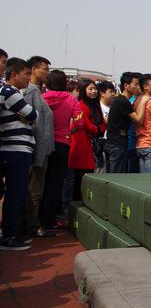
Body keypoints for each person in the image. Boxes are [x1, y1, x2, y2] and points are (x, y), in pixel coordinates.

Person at [0, 58, 38, 250]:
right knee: (16, 193)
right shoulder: (9, 93)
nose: (29, 78)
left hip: (17, 149)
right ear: (13, 75)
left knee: (16, 193)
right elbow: (33, 115)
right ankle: (8, 235)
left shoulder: (12, 93)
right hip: (15, 150)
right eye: (26, 74)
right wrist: (28, 116)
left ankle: (11, 232)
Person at [16, 56, 54, 241]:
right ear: (33, 70)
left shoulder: (36, 91)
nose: (47, 73)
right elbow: (27, 118)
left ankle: (25, 225)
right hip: (35, 149)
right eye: (44, 69)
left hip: (40, 148)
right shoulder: (29, 91)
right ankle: (32, 226)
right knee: (34, 190)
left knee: (34, 188)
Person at [40, 70, 83, 231]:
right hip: (62, 142)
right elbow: (79, 123)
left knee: (41, 181)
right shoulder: (71, 100)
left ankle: (36, 218)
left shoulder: (42, 98)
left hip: (44, 142)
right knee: (56, 182)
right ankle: (50, 219)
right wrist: (67, 133)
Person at [105, 72, 149, 173]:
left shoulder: (122, 101)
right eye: (135, 84)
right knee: (116, 177)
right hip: (117, 144)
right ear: (126, 86)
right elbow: (139, 120)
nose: (138, 87)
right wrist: (143, 101)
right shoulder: (122, 101)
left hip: (116, 143)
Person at [69, 80, 104, 201]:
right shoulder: (81, 105)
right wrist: (97, 130)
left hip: (92, 143)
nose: (94, 91)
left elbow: (102, 123)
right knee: (80, 176)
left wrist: (98, 130)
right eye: (90, 89)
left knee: (89, 173)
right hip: (82, 143)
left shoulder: (95, 106)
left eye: (95, 89)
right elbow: (86, 125)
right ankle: (77, 201)